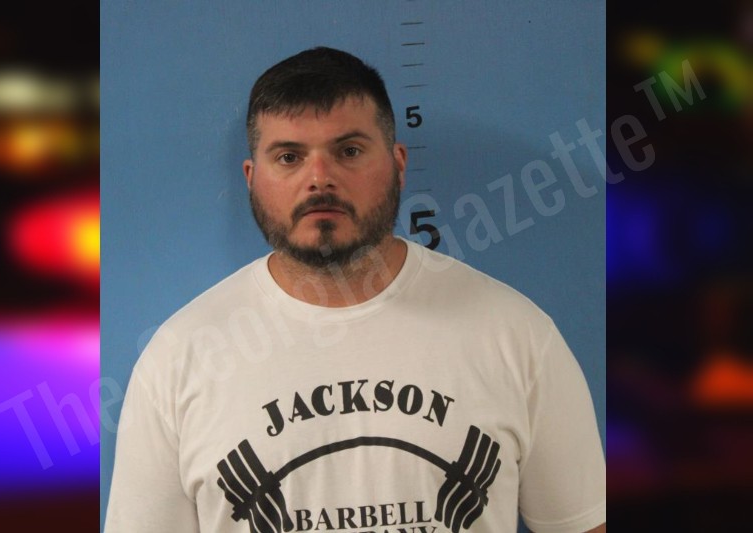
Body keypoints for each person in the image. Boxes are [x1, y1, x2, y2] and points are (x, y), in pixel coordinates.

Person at [105, 46, 606, 533]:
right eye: (289, 157)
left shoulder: (517, 337)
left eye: (348, 151)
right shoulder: (179, 360)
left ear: (399, 164)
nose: (320, 179)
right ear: (251, 179)